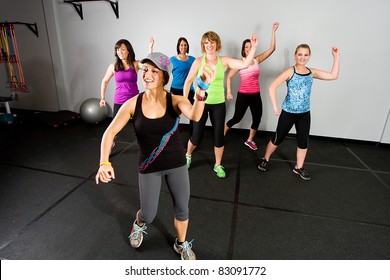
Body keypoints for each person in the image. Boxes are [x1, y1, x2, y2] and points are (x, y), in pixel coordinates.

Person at [95, 51, 216, 260]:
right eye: (144, 70)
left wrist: (202, 88)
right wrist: (104, 161)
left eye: (153, 71)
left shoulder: (176, 101)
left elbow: (196, 115)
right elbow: (109, 133)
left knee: (182, 210)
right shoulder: (133, 103)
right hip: (149, 167)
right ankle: (139, 223)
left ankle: (181, 243)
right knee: (149, 214)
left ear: (164, 77)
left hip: (176, 164)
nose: (147, 75)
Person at [257, 44, 340, 180]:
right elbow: (272, 86)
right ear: (295, 56)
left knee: (303, 142)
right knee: (278, 138)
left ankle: (299, 167)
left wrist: (336, 57)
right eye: (300, 54)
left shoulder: (311, 72)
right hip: (288, 112)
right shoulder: (290, 71)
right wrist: (275, 106)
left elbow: (333, 75)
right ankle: (265, 159)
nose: (302, 57)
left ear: (309, 57)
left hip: (304, 113)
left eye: (306, 55)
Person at [184, 31, 258, 179]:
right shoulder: (199, 61)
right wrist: (186, 103)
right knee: (196, 136)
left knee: (219, 137)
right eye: (206, 42)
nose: (209, 45)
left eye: (212, 42)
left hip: (218, 104)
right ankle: (188, 155)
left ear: (217, 44)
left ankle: (217, 165)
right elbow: (187, 82)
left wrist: (254, 48)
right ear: (203, 45)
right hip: (201, 104)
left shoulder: (223, 61)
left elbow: (244, 63)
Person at [224, 22, 279, 151]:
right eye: (246, 47)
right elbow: (229, 76)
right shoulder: (240, 63)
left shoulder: (257, 60)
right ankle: (222, 134)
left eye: (250, 46)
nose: (248, 48)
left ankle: (249, 140)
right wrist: (229, 92)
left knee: (257, 119)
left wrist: (273, 32)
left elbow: (272, 49)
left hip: (256, 95)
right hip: (243, 95)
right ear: (244, 49)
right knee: (237, 118)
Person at [99, 38, 153, 118]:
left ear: (128, 51)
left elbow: (146, 66)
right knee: (116, 127)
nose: (119, 52)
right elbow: (105, 81)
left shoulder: (136, 64)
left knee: (139, 125)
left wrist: (150, 48)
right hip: (119, 100)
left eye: (123, 49)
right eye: (117, 50)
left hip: (134, 99)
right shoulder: (113, 66)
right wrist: (102, 98)